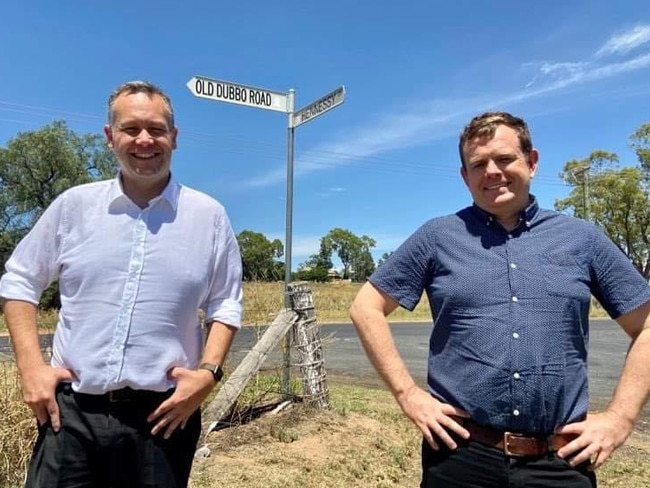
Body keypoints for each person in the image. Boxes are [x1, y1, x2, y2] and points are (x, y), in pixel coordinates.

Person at [350, 111, 650, 487]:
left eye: (505, 159)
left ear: (532, 162)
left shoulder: (581, 239)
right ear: (465, 176)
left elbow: (646, 324)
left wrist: (621, 417)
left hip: (558, 460)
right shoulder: (437, 237)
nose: (492, 171)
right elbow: (366, 306)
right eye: (478, 164)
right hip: (461, 456)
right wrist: (408, 395)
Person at [0, 81, 243, 488]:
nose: (144, 140)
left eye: (156, 129)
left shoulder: (209, 216)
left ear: (175, 138)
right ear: (110, 138)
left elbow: (225, 303)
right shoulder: (74, 207)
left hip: (165, 417)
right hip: (72, 417)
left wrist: (208, 373)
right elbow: (20, 280)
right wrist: (30, 368)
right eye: (131, 129)